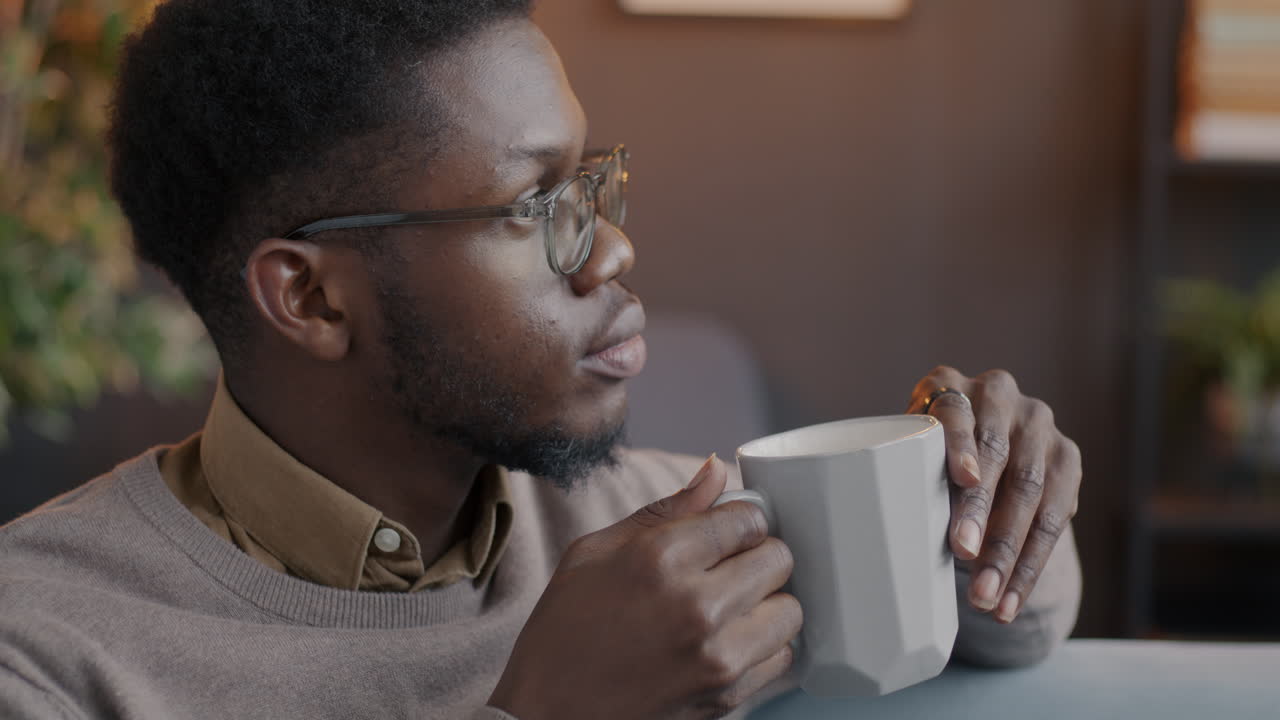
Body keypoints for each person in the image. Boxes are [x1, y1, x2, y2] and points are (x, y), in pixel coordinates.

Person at [0, 1, 1083, 718]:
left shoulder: (651, 535)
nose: (611, 250)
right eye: (533, 205)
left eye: (589, 184)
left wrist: (986, 505)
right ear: (312, 297)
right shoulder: (42, 650)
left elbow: (1008, 625)